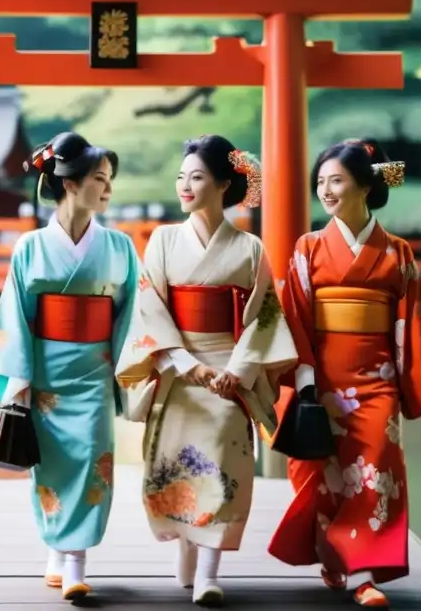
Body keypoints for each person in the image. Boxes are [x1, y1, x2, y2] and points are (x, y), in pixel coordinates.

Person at [266, 138, 421, 608]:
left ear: (364, 185)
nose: (326, 190)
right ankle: (332, 553)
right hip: (319, 379)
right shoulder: (308, 247)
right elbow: (294, 317)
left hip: (376, 380)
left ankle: (363, 573)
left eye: (336, 180)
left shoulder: (396, 252)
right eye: (320, 182)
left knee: (375, 468)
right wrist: (303, 383)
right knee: (321, 471)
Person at [116, 134, 299, 606]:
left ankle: (209, 573)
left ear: (222, 183)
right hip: (179, 371)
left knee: (221, 466)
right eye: (181, 176)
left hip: (229, 375)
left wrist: (236, 371)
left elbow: (265, 316)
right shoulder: (162, 239)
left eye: (196, 176)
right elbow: (148, 307)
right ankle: (185, 550)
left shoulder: (250, 247)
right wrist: (182, 362)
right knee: (177, 467)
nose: (185, 185)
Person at [0, 132, 140, 603]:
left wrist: (128, 373)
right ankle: (56, 547)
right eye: (99, 180)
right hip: (44, 374)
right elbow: (15, 315)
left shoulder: (120, 247)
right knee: (49, 467)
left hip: (94, 372)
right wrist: (18, 379)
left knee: (92, 461)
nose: (107, 190)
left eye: (109, 181)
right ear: (69, 183)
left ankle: (76, 563)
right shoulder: (30, 247)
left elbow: (132, 315)